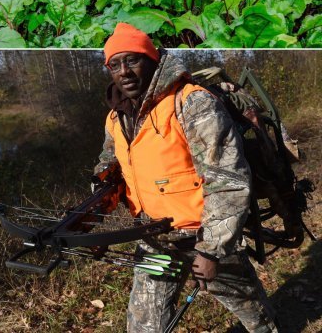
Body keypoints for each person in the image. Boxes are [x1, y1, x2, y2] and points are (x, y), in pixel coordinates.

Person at [96, 23, 277, 332]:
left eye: (133, 60)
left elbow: (228, 180)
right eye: (115, 64)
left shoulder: (192, 102)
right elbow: (108, 166)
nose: (124, 71)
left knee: (254, 316)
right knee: (144, 325)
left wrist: (211, 250)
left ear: (152, 60)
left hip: (203, 235)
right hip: (154, 238)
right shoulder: (116, 117)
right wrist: (93, 215)